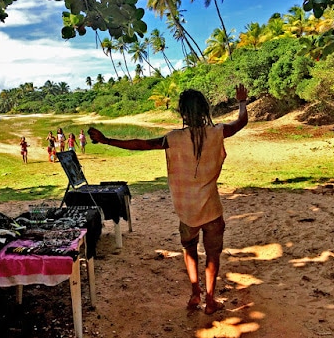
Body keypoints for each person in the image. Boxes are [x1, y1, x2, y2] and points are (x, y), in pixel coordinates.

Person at [88, 84, 248, 315]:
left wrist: (106, 140)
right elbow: (241, 122)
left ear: (183, 114)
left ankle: (195, 293)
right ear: (205, 110)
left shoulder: (172, 138)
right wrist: (241, 101)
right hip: (212, 209)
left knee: (190, 250)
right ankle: (211, 301)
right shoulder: (218, 132)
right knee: (213, 255)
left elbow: (140, 144)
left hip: (186, 211)